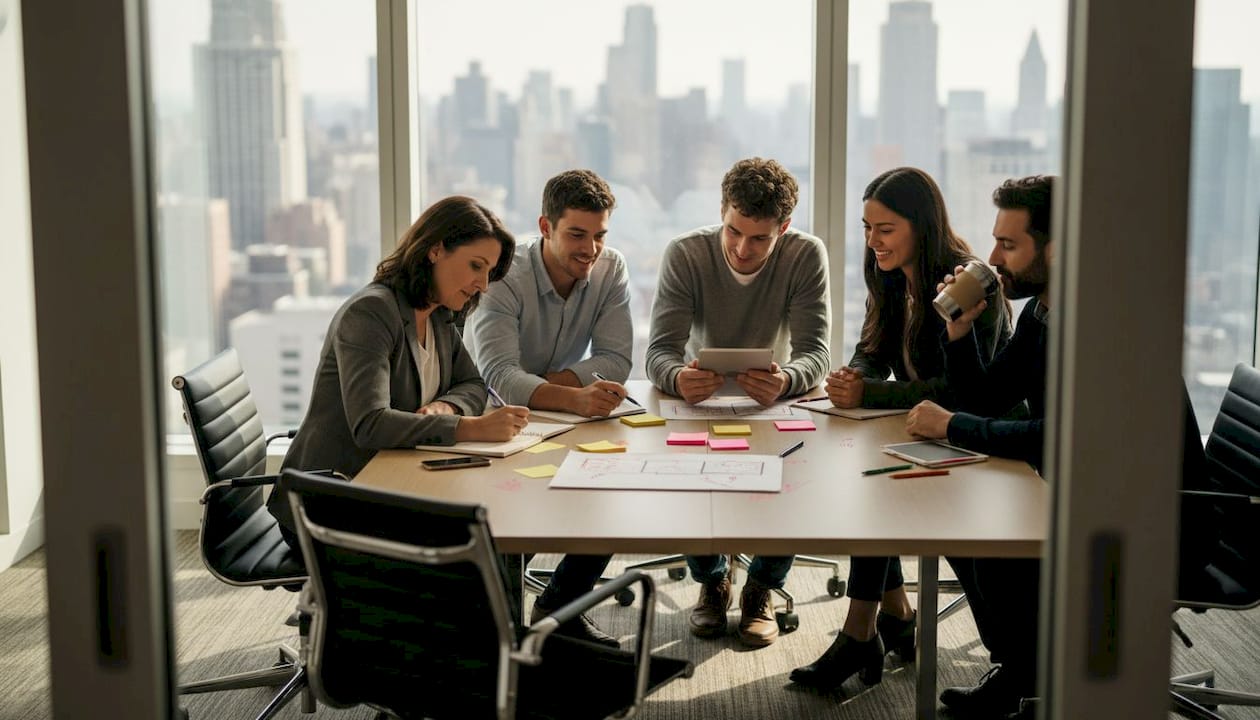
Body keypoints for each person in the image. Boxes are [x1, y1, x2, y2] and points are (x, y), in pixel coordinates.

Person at [790, 167, 1011, 691]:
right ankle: (888, 620)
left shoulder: (965, 283)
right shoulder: (890, 278)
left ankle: (864, 633)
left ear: (921, 225)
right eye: (867, 228)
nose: (872, 241)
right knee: (871, 484)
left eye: (884, 229)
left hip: (978, 441)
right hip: (920, 432)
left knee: (875, 491)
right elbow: (874, 349)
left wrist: (874, 393)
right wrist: (854, 377)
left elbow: (957, 391)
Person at [646, 157, 831, 647]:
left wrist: (788, 378)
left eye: (759, 239)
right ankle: (712, 580)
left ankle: (762, 589)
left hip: (771, 400)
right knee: (684, 473)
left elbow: (817, 354)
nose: (742, 248)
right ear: (722, 212)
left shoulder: (805, 254)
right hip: (697, 400)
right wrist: (678, 377)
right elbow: (658, 353)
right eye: (733, 231)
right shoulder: (686, 253)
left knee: (795, 474)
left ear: (784, 228)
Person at [270, 195, 526, 547]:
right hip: (330, 501)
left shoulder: (438, 313)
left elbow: (472, 383)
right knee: (472, 536)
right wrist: (470, 427)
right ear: (435, 250)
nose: (483, 284)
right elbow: (370, 424)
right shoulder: (372, 313)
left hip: (389, 482)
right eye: (475, 266)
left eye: (489, 272)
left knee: (486, 518)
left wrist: (447, 407)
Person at [903, 175, 1055, 718]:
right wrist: (960, 332)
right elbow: (989, 398)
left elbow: (1055, 437)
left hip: (1154, 515)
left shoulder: (1093, 325)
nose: (993, 257)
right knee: (965, 533)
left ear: (1056, 248)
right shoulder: (1042, 311)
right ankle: (1020, 672)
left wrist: (951, 428)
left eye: (1009, 245)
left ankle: (1029, 678)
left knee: (989, 541)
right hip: (1074, 484)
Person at [465, 169, 630, 647]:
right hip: (493, 421)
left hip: (561, 418)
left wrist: (546, 389)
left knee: (611, 488)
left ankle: (559, 609)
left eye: (599, 235)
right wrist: (575, 394)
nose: (591, 250)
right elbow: (498, 378)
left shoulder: (611, 268)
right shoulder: (505, 274)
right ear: (545, 227)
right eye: (577, 235)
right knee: (519, 512)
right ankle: (498, 628)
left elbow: (617, 359)